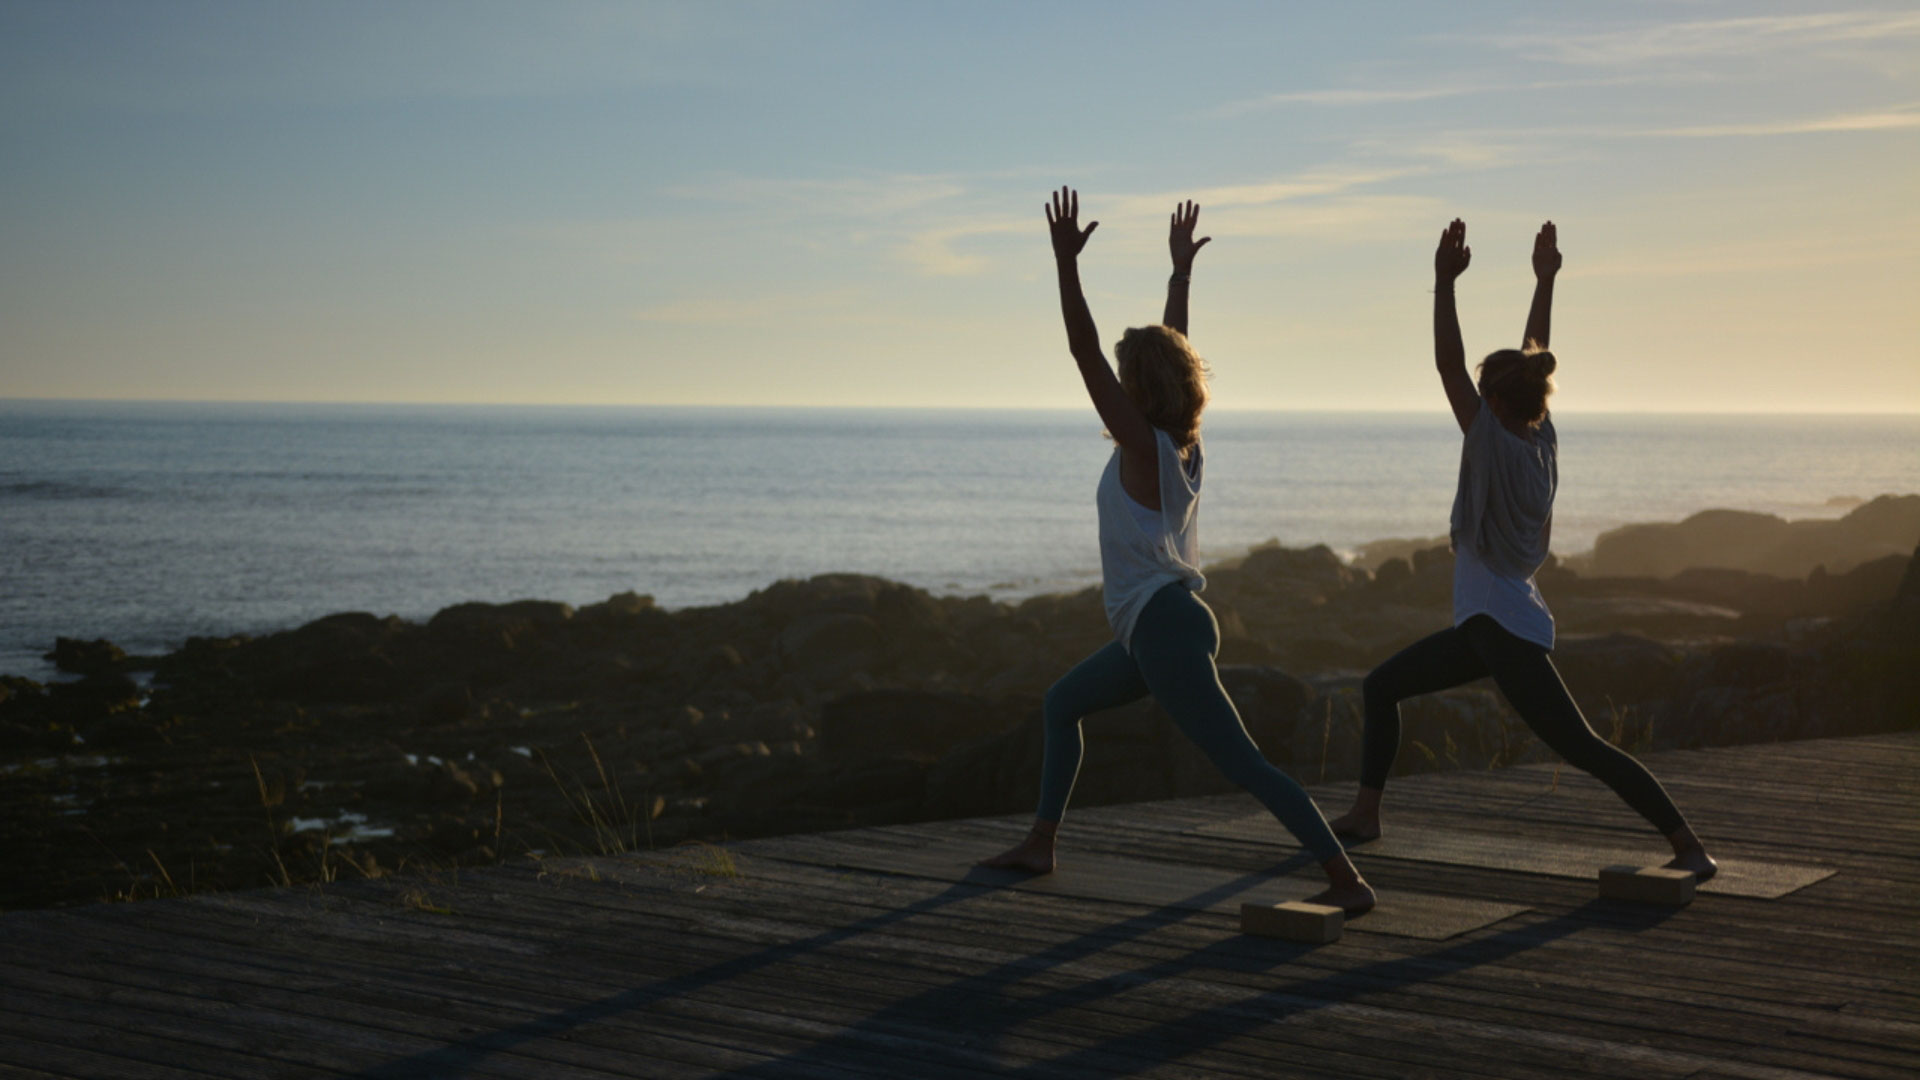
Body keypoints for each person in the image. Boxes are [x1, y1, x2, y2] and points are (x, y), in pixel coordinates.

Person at [979, 187, 1376, 914]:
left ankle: (1344, 878)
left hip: (1163, 627)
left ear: (1138, 390)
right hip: (1154, 627)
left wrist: (1065, 266)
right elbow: (1173, 348)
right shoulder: (1181, 446)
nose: (1120, 383)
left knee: (1245, 765)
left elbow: (1081, 349)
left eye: (1129, 378)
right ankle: (1041, 841)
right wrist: (1179, 275)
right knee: (1062, 703)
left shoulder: (1141, 445)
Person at [1326, 219, 1717, 880]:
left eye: (1483, 393)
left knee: (1582, 746)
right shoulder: (1541, 437)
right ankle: (1367, 813)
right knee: (1382, 686)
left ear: (1497, 403)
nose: (1472, 397)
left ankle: (1689, 845)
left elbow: (1447, 364)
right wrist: (1544, 281)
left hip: (1500, 629)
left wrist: (1444, 283)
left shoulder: (1494, 440)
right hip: (1491, 622)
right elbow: (1537, 356)